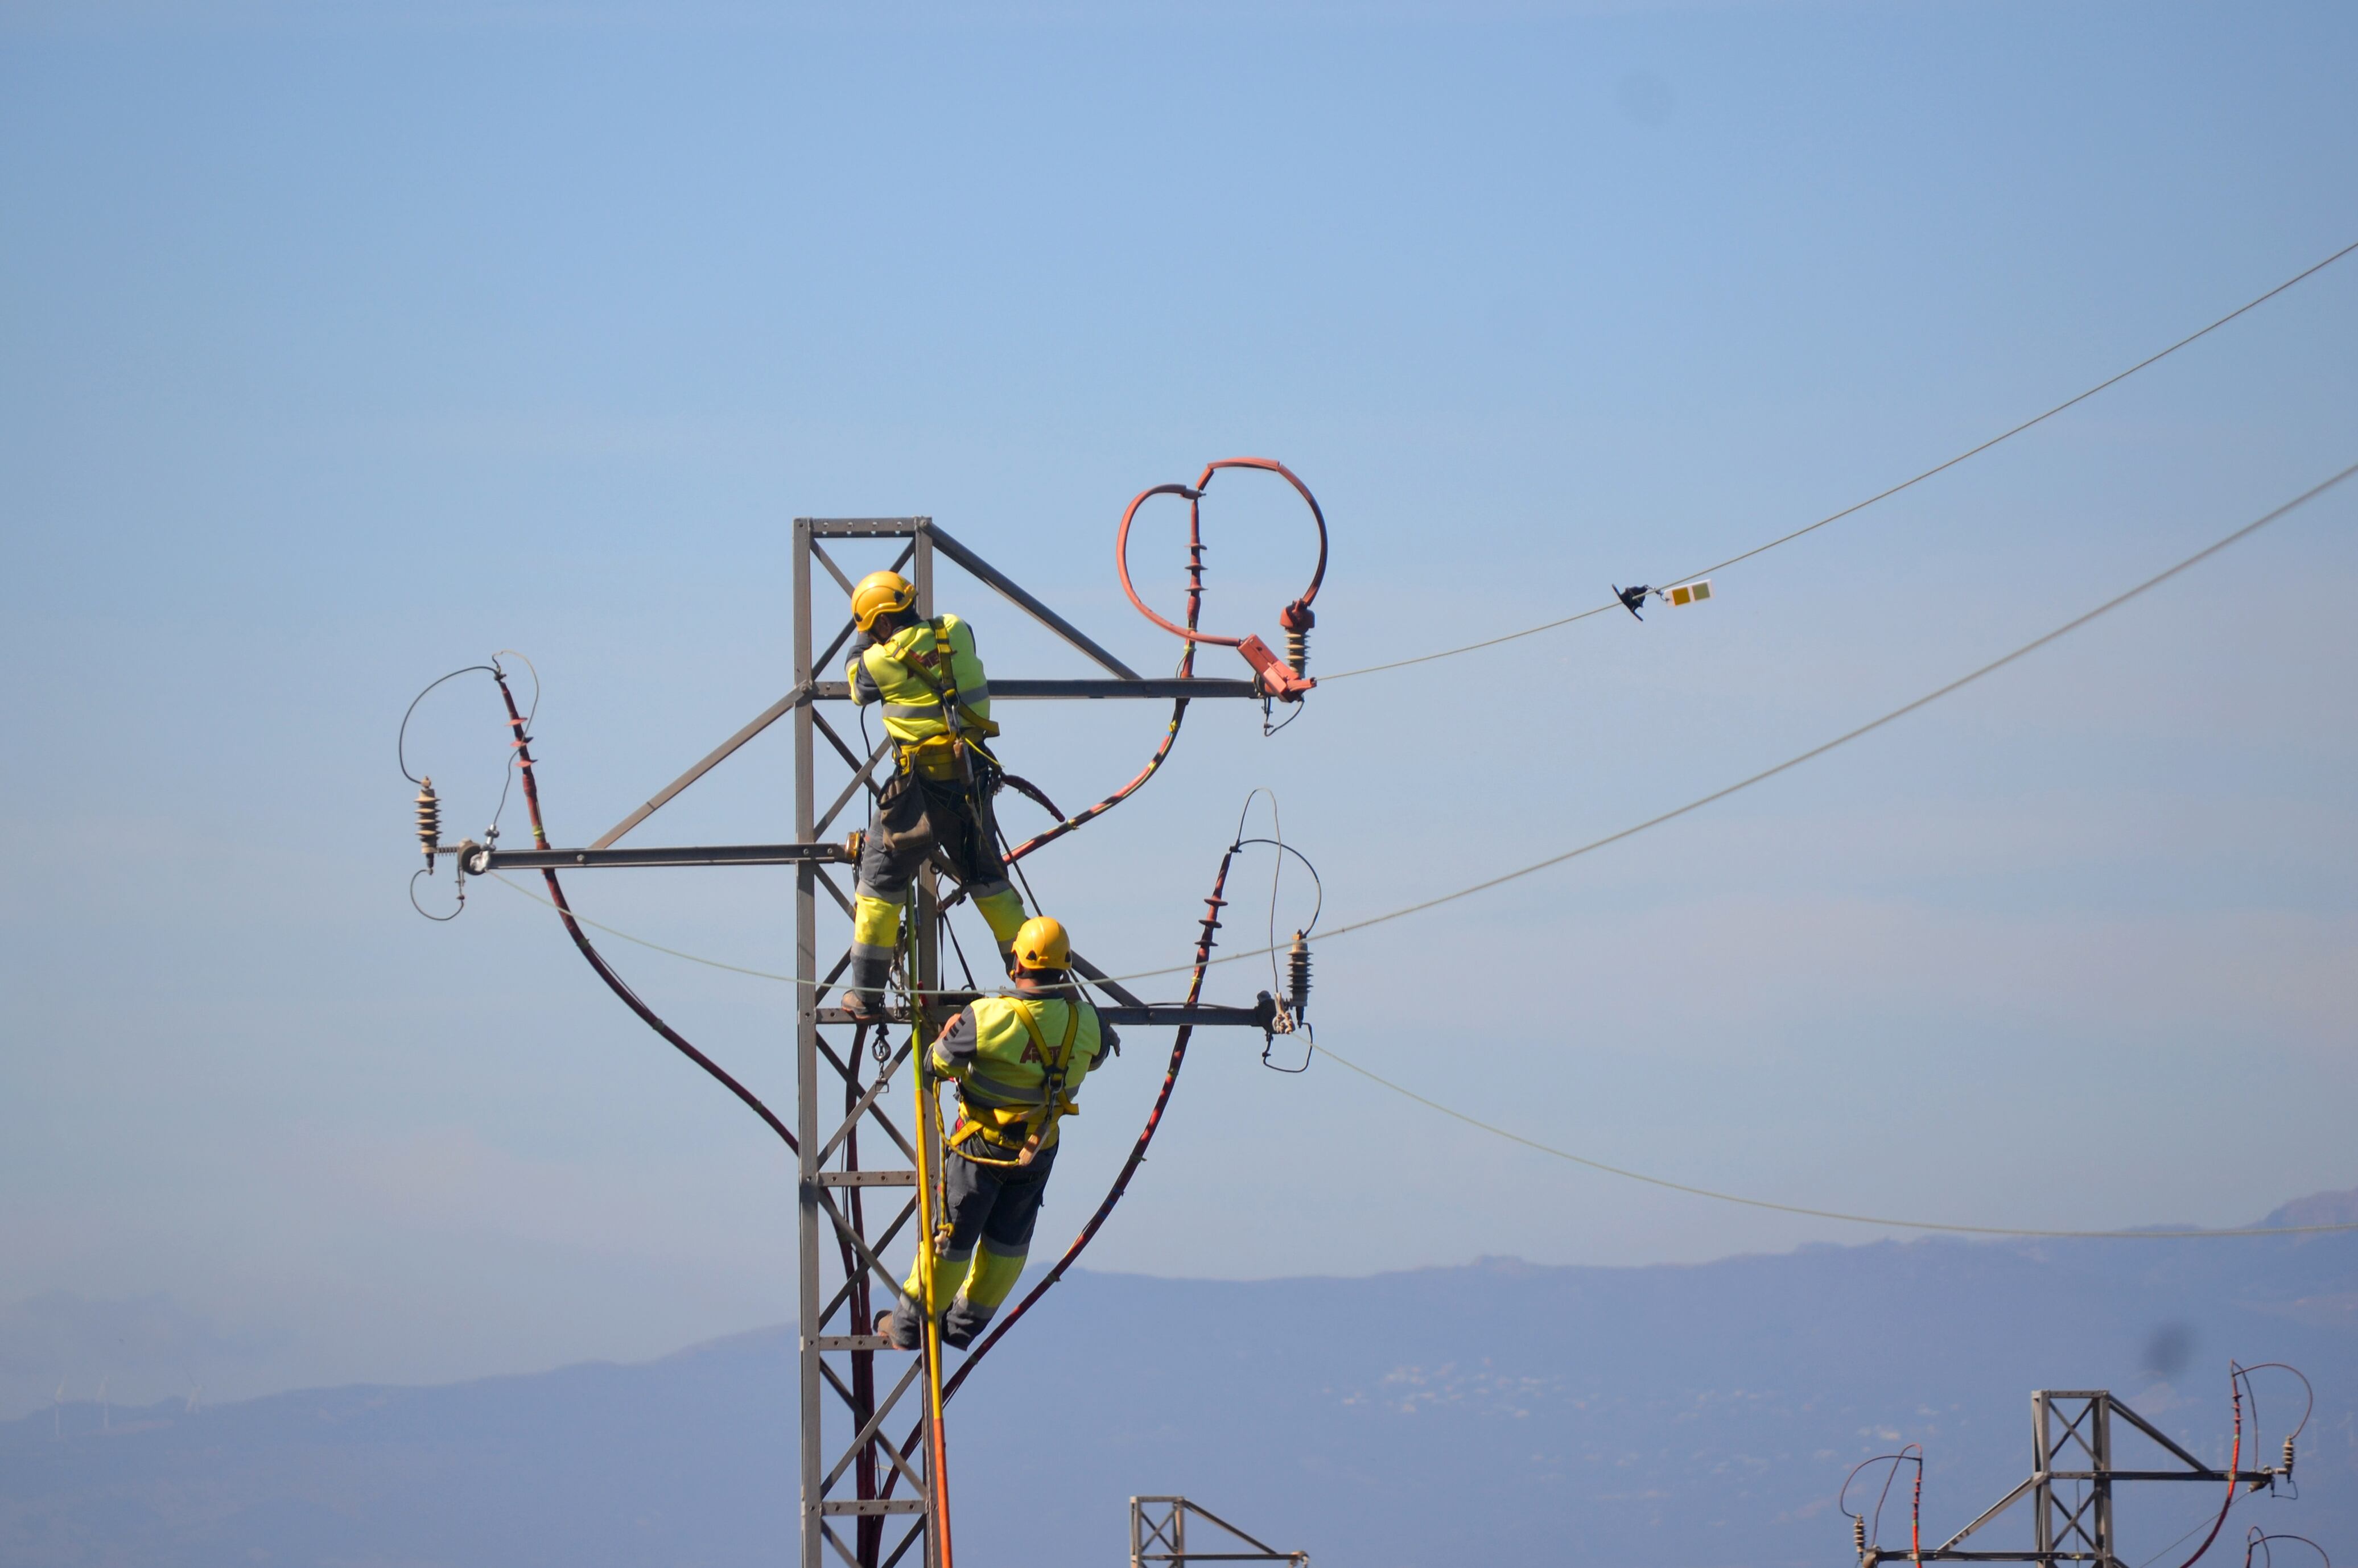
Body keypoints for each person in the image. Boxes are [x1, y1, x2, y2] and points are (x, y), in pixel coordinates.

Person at [881, 915, 1114, 1351]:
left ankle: (909, 1328)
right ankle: (962, 1328)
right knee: (1007, 1249)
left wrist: (947, 1036)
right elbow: (1098, 1056)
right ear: (1065, 969)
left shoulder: (987, 1016)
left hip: (980, 1150)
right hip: (1037, 1152)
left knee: (952, 1243)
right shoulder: (1088, 1022)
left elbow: (936, 1065)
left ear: (1016, 966)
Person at [839, 569, 1029, 1021]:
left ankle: (865, 995)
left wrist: (864, 639)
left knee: (880, 884)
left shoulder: (880, 660)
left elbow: (856, 684)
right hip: (972, 783)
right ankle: (1037, 978)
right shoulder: (957, 629)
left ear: (882, 625)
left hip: (918, 797)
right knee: (988, 879)